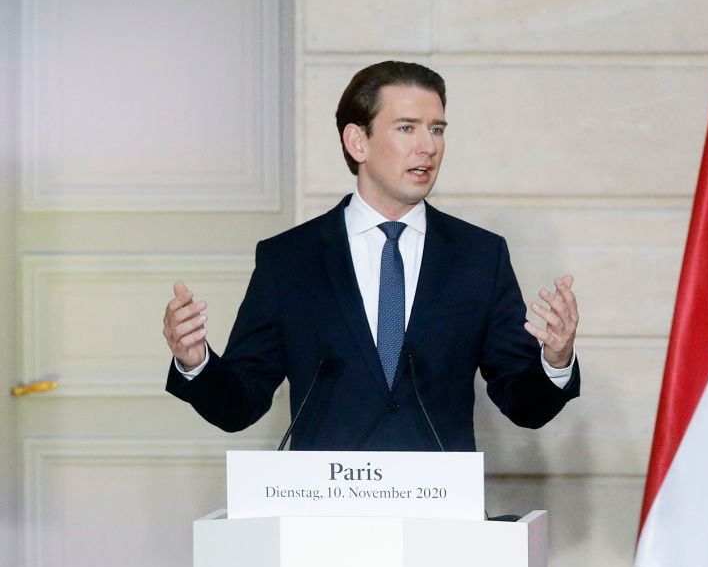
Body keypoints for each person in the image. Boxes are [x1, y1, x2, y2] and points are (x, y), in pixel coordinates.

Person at [161, 61, 580, 450]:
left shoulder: (479, 256)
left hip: (439, 518)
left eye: (436, 129)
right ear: (357, 141)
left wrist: (555, 361)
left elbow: (525, 406)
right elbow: (239, 406)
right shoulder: (288, 260)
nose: (428, 147)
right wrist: (196, 363)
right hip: (323, 514)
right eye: (406, 128)